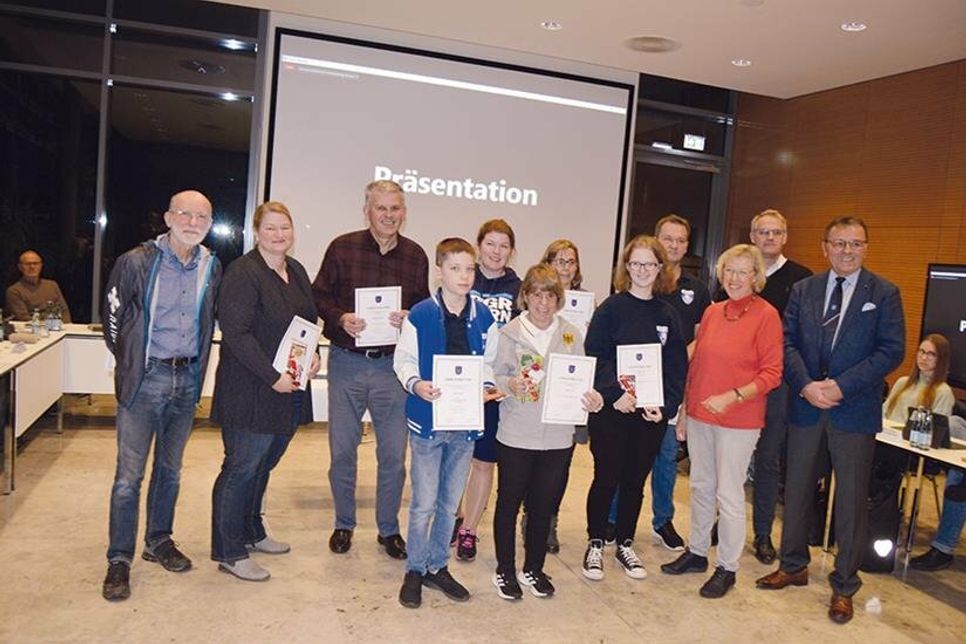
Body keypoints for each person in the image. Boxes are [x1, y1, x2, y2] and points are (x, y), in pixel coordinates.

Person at [756, 216, 905, 625]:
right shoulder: (805, 289)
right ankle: (793, 565)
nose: (846, 250)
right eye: (839, 243)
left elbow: (891, 351)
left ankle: (844, 585)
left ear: (866, 247)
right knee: (797, 488)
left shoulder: (884, 293)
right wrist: (806, 385)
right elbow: (786, 341)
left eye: (855, 243)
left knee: (851, 500)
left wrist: (840, 386)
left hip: (853, 409)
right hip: (806, 405)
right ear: (825, 247)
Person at [100, 190, 222, 601]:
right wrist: (132, 363)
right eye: (185, 214)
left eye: (202, 217)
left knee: (170, 470)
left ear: (210, 224)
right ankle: (119, 559)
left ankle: (158, 540)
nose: (193, 223)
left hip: (187, 379)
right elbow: (113, 320)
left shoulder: (211, 266)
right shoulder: (135, 261)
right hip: (146, 380)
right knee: (128, 478)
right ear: (168, 218)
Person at [312, 180, 430, 558]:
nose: (389, 215)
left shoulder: (415, 255)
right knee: (342, 452)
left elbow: (425, 306)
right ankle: (343, 523)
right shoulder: (341, 247)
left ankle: (388, 530)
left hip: (392, 370)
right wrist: (340, 318)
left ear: (404, 212)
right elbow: (319, 296)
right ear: (367, 211)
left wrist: (412, 317)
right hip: (347, 364)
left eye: (395, 208)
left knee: (393, 456)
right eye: (381, 208)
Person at [660, 244, 783, 599]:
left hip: (739, 420)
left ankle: (727, 567)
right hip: (700, 414)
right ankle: (698, 551)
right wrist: (685, 410)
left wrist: (732, 396)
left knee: (728, 494)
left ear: (756, 277)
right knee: (700, 486)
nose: (735, 278)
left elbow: (772, 373)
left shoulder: (766, 316)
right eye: (729, 270)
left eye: (743, 272)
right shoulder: (713, 312)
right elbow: (696, 366)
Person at [210, 201, 320, 582]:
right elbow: (236, 334)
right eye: (270, 228)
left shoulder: (297, 271)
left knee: (263, 465)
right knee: (240, 469)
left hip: (288, 389)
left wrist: (313, 357)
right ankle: (230, 551)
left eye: (284, 227)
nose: (278, 234)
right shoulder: (243, 272)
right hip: (250, 390)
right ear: (257, 232)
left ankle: (252, 531)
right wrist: (273, 376)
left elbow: (308, 324)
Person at [393, 238, 499, 608]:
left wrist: (485, 387)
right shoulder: (420, 314)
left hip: (464, 424)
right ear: (440, 271)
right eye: (455, 268)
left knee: (450, 502)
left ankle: (437, 566)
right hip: (428, 422)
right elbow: (404, 360)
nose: (464, 276)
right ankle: (414, 569)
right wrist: (416, 384)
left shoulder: (484, 317)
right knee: (424, 502)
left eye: (470, 269)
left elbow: (488, 363)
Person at [491, 263, 604, 600]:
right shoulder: (509, 332)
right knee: (508, 504)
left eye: (550, 296)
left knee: (542, 507)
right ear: (525, 296)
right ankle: (505, 570)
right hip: (516, 433)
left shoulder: (571, 333)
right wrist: (509, 384)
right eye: (537, 295)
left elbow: (582, 380)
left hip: (557, 437)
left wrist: (592, 398)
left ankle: (534, 568)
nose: (543, 303)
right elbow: (494, 376)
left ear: (559, 299)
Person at [582, 235, 688, 581]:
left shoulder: (668, 315)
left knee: (634, 481)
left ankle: (626, 543)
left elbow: (676, 368)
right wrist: (615, 393)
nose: (643, 270)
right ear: (627, 267)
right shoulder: (610, 309)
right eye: (636, 263)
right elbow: (594, 356)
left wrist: (665, 406)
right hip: (612, 412)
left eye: (650, 264)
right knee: (606, 477)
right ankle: (596, 543)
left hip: (648, 416)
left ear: (660, 268)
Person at [746, 209, 813, 564]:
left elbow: (804, 337)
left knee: (768, 461)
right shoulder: (740, 273)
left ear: (785, 237)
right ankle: (724, 522)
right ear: (752, 236)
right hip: (738, 383)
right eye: (763, 232)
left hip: (777, 385)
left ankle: (762, 533)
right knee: (732, 459)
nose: (769, 238)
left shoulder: (802, 280)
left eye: (775, 232)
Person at [453, 219, 521, 561]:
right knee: (454, 458)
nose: (496, 251)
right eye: (490, 244)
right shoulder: (464, 278)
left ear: (511, 251)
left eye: (503, 245)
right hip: (459, 384)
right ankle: (453, 517)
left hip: (494, 390)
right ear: (479, 245)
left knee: (483, 461)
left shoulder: (518, 288)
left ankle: (469, 529)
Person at [649, 214, 712, 551]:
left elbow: (703, 336)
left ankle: (663, 520)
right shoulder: (643, 277)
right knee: (630, 456)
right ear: (656, 239)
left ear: (687, 246)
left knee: (666, 455)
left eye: (680, 240)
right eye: (668, 238)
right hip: (641, 381)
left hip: (676, 383)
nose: (673, 245)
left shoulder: (697, 289)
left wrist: (676, 357)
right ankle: (614, 519)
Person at [883, 334, 960, 571]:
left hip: (916, 454)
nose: (924, 358)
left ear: (941, 360)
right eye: (921, 352)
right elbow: (883, 414)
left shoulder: (943, 392)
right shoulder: (902, 383)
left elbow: (936, 433)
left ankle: (883, 518)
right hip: (888, 442)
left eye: (931, 354)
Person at [533, 239, 589, 554]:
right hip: (536, 392)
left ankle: (549, 521)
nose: (565, 267)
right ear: (548, 264)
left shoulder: (588, 303)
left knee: (561, 463)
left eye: (571, 261)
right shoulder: (537, 299)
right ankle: (531, 516)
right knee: (531, 459)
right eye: (559, 260)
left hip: (568, 393)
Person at [5, 249, 72, 322]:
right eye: (27, 264)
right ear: (20, 267)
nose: (32, 267)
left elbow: (64, 310)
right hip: (32, 327)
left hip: (57, 326)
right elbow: (23, 318)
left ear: (41, 266)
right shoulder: (14, 291)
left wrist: (67, 325)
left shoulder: (52, 285)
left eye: (36, 263)